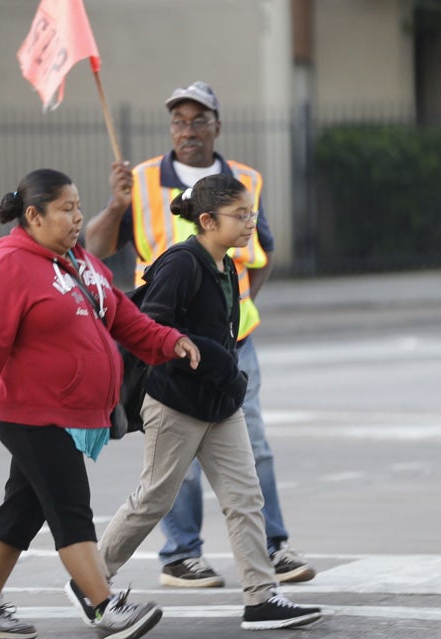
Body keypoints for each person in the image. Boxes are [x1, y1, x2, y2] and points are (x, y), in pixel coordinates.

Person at [0, 168, 201, 639]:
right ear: (33, 215)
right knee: (70, 510)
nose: (77, 216)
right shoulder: (5, 267)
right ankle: (106, 608)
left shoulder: (82, 263)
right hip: (31, 413)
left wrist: (172, 341)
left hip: (69, 413)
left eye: (78, 206)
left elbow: (126, 319)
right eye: (66, 208)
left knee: (20, 514)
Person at [84, 81, 315, 588]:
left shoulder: (243, 181)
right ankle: (157, 560)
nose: (187, 130)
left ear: (216, 124)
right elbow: (99, 251)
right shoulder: (146, 188)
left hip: (228, 353)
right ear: (207, 220)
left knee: (247, 471)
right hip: (172, 361)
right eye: (178, 121)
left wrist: (226, 317)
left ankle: (263, 586)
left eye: (197, 119)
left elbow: (265, 252)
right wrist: (116, 204)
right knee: (161, 488)